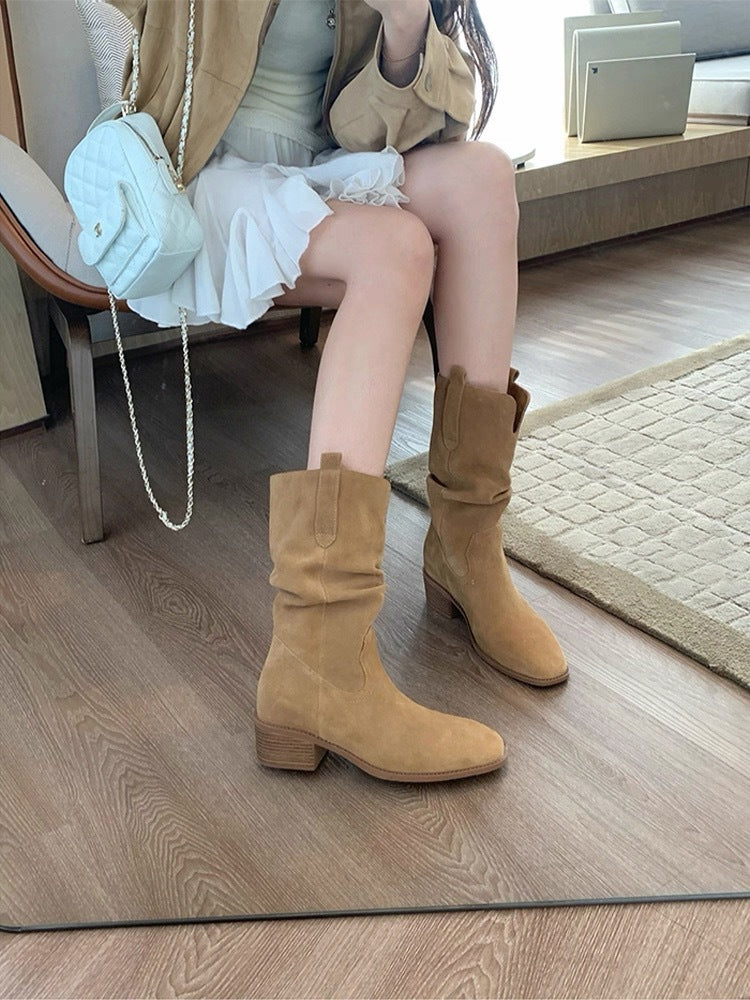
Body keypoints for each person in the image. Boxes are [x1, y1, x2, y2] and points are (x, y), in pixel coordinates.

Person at [109, 0, 568, 784]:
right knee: (395, 248)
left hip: (319, 171)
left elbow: (402, 126)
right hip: (202, 177)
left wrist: (404, 30)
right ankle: (317, 660)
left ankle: (468, 547)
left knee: (483, 177)